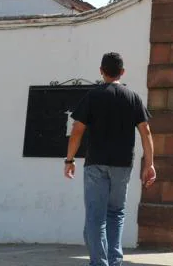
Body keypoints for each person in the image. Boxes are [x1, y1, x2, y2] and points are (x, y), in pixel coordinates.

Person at [64, 52, 156, 266]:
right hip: (123, 165)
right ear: (122, 72)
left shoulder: (93, 96)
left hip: (95, 163)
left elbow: (77, 131)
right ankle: (115, 262)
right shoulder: (133, 98)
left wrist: (69, 160)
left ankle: (100, 263)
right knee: (115, 213)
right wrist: (149, 164)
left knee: (96, 217)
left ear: (101, 71)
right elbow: (146, 132)